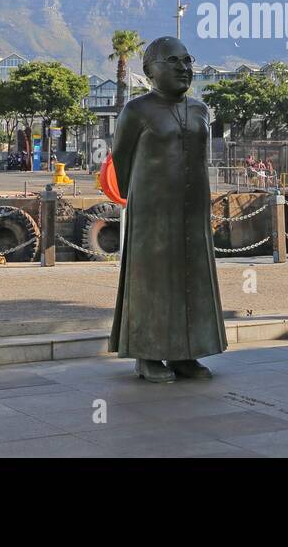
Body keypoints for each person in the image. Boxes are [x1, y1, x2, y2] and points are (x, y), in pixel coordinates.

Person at [109, 37, 225, 383]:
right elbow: (121, 160)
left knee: (192, 278)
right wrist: (143, 198)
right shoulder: (137, 110)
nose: (183, 68)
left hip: (193, 208)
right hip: (152, 210)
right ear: (150, 70)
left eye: (188, 61)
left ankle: (185, 353)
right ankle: (146, 355)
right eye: (173, 61)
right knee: (152, 281)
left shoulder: (200, 110)